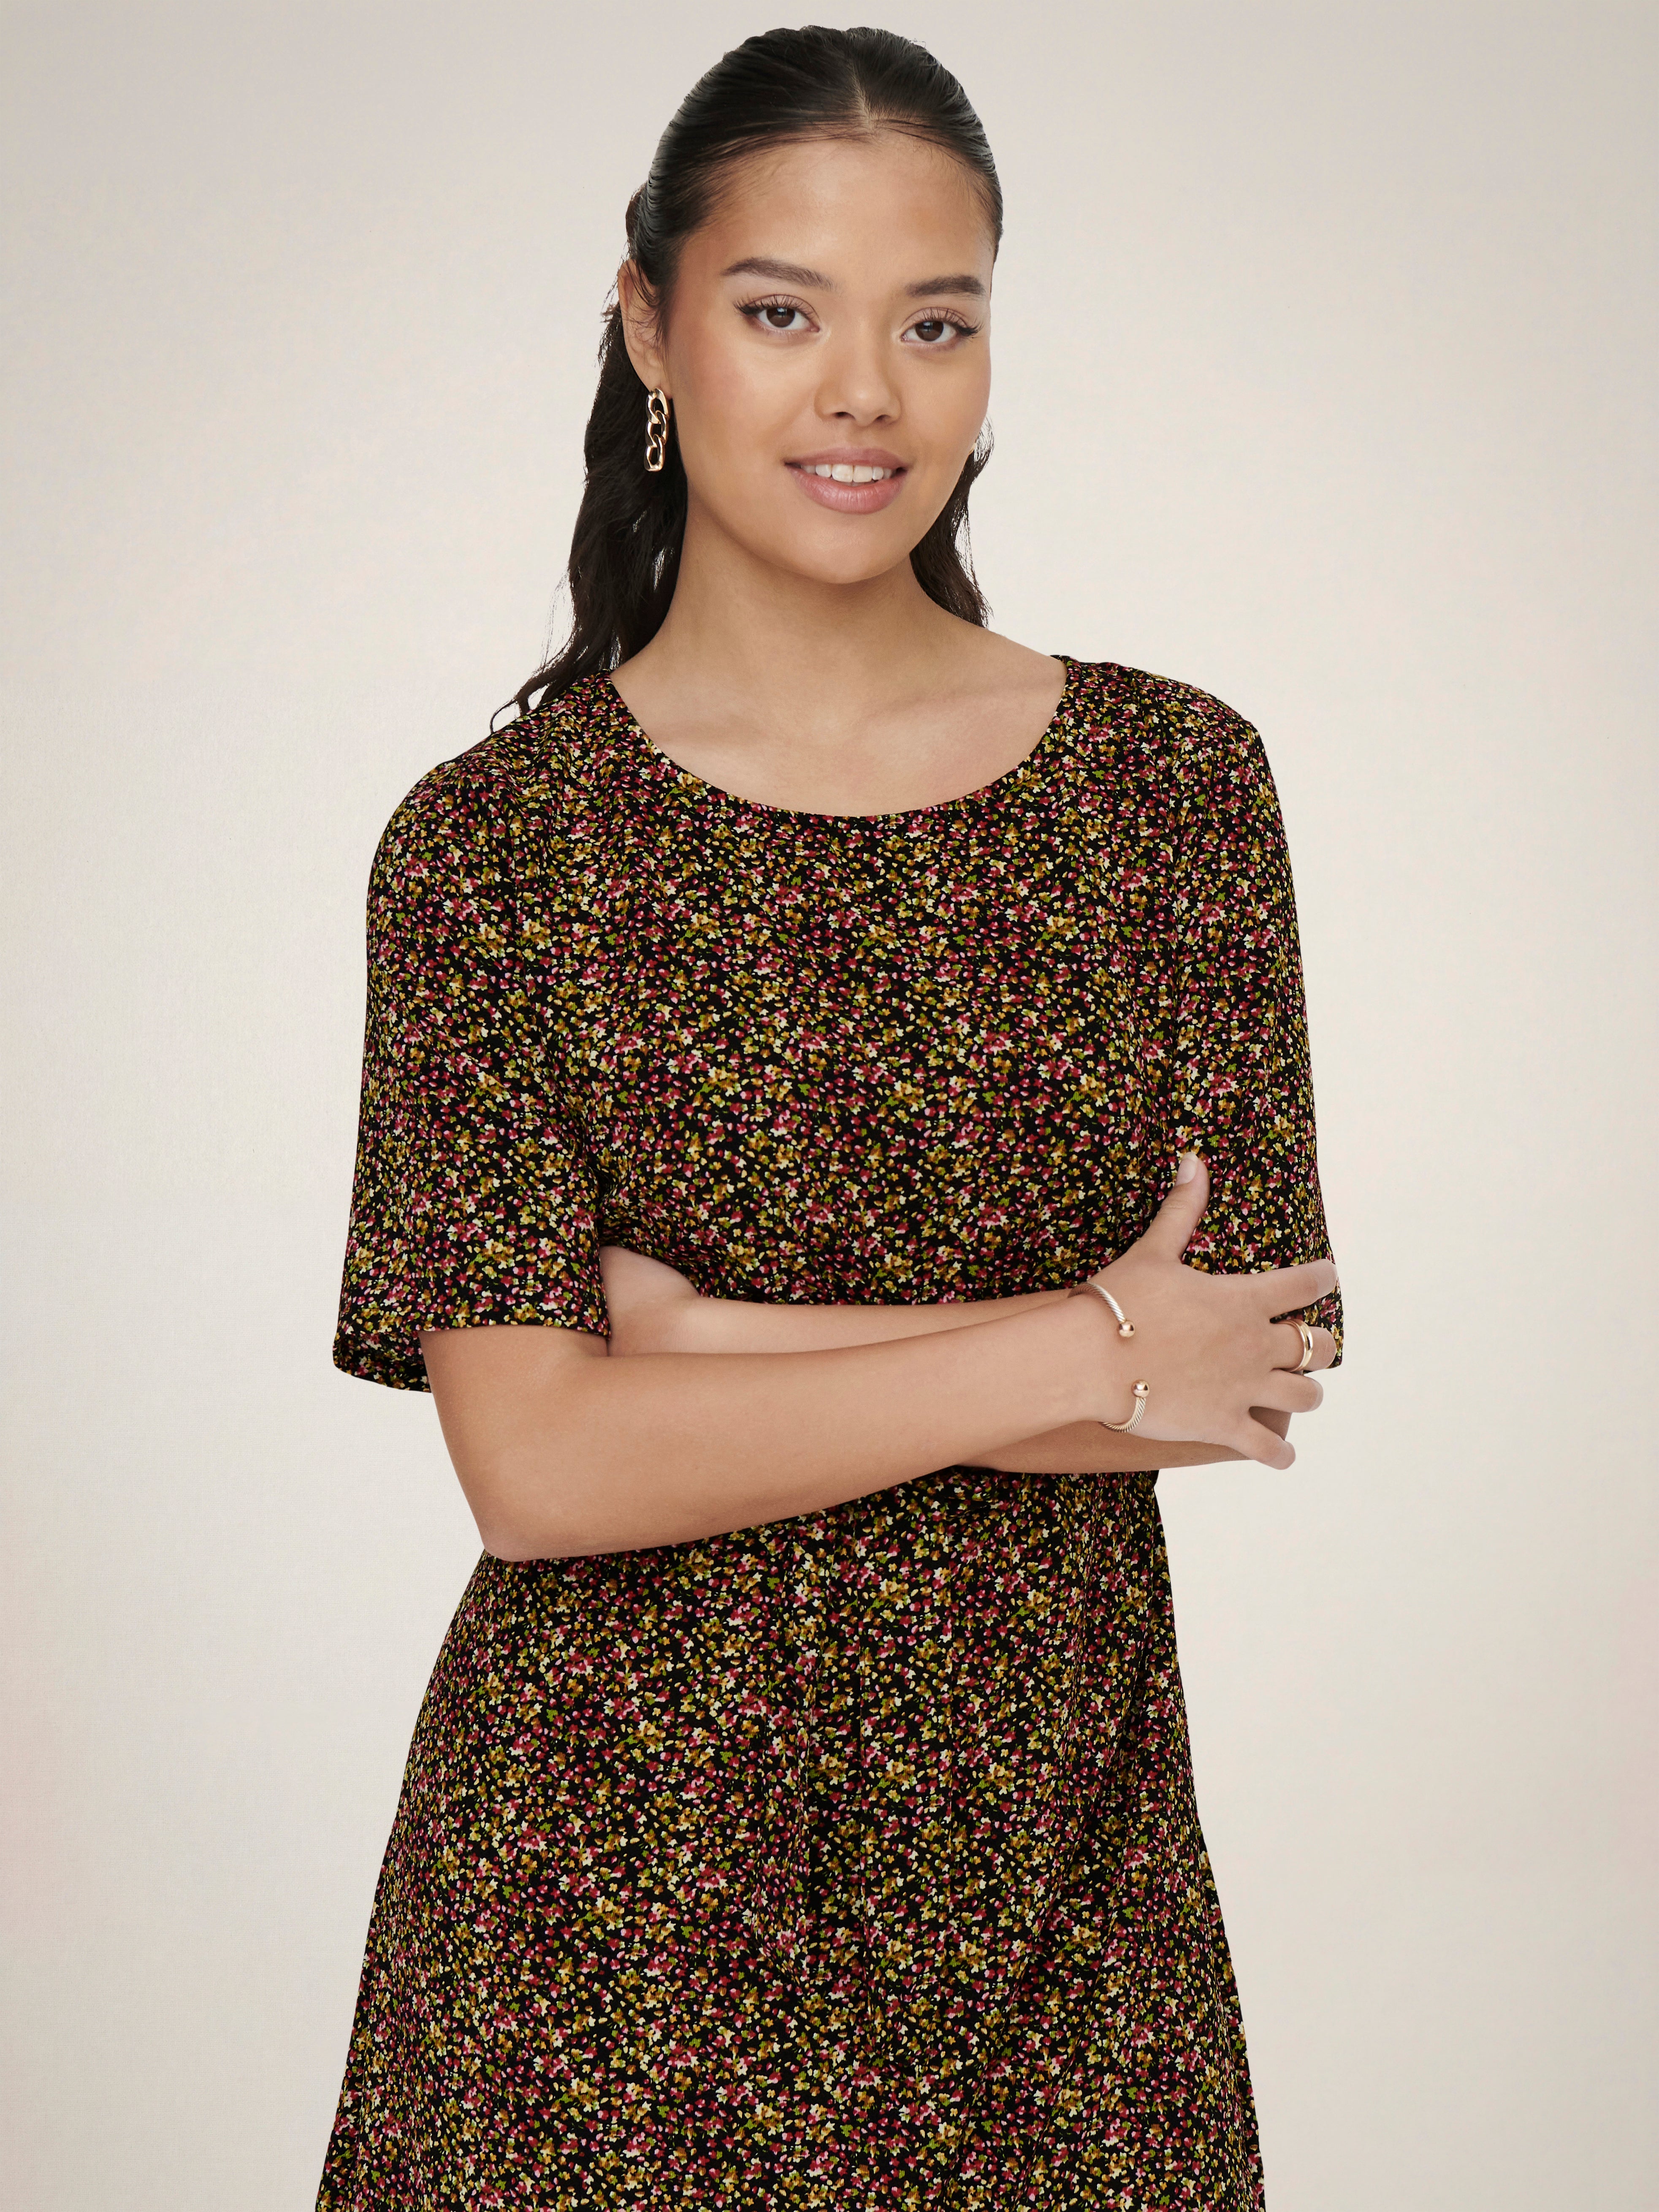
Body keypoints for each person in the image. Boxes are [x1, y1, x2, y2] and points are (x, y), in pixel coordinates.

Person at [316, 25, 1341, 2211]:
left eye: (934, 323)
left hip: (1057, 1915)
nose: (865, 392)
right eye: (784, 312)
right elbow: (538, 1471)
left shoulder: (1175, 788)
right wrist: (1084, 1340)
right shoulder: (494, 853)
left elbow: (1242, 1369)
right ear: (649, 326)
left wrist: (697, 1345)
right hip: (598, 1933)